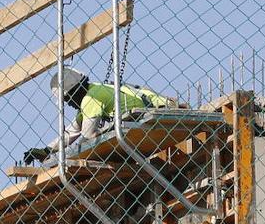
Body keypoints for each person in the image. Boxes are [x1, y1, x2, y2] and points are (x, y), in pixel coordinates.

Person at [22, 67, 180, 164]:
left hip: (162, 109)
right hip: (158, 104)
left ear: (74, 93)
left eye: (67, 100)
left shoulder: (90, 99)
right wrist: (48, 150)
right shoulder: (93, 92)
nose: (69, 104)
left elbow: (87, 134)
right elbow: (72, 131)